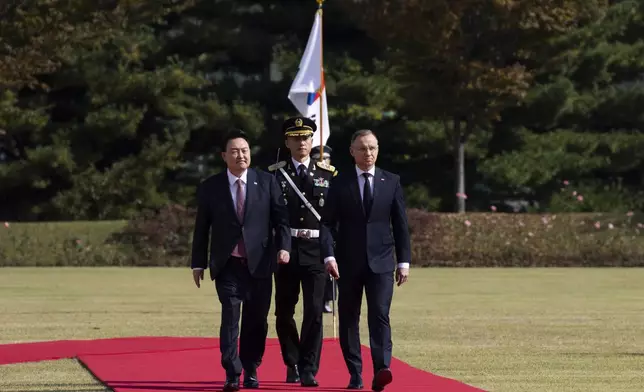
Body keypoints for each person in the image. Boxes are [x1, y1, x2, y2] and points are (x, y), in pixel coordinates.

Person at [191, 130, 291, 392]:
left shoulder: (267, 182)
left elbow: (281, 220)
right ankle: (232, 371)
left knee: (257, 320)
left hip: (260, 264)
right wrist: (197, 263)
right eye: (234, 151)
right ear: (224, 156)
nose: (241, 155)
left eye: (244, 150)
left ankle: (251, 367)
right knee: (230, 316)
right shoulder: (211, 187)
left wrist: (284, 248)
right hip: (228, 265)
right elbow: (202, 228)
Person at [319, 129, 411, 391]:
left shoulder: (391, 181)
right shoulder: (339, 183)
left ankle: (381, 369)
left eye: (372, 148)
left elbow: (400, 224)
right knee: (349, 317)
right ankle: (355, 373)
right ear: (352, 152)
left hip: (382, 262)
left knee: (380, 314)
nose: (368, 153)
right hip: (347, 263)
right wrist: (328, 255)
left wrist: (403, 261)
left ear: (377, 149)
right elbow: (326, 224)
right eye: (362, 148)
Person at [269, 117, 337, 387]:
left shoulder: (327, 173)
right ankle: (292, 362)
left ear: (313, 142)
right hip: (286, 250)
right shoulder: (276, 173)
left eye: (306, 138)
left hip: (316, 250)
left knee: (314, 312)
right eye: (295, 138)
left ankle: (309, 367)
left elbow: (332, 218)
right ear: (287, 142)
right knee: (284, 312)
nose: (301, 143)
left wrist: (332, 251)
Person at [311, 144, 337, 314]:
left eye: (326, 158)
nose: (322, 161)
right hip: (312, 229)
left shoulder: (334, 176)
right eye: (318, 159)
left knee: (331, 268)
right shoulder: (308, 176)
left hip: (329, 230)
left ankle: (329, 299)